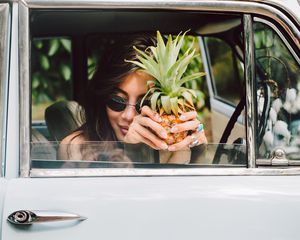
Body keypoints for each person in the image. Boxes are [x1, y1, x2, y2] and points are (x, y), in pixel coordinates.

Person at [58, 33, 207, 165]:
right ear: (102, 96)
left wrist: (199, 151)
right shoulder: (76, 148)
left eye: (145, 103)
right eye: (117, 101)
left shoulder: (172, 149)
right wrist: (132, 151)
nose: (128, 116)